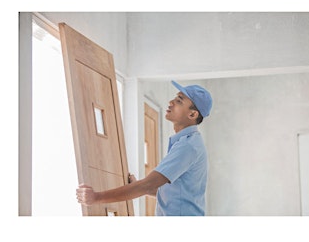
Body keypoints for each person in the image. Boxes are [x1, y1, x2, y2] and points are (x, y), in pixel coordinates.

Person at [76, 80, 213, 216]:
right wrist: (144, 189)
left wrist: (96, 198)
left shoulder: (187, 146)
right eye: (175, 97)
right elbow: (173, 194)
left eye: (179, 101)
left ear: (193, 114)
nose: (171, 102)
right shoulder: (188, 143)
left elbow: (147, 184)